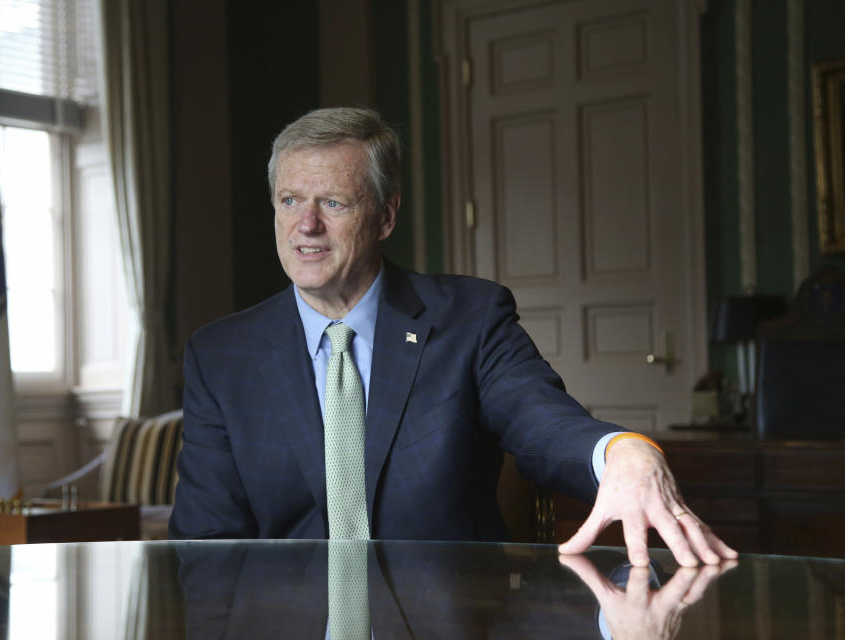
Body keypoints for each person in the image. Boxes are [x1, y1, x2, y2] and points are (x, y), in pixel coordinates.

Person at [168, 107, 737, 568]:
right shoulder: (221, 355)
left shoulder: (469, 317)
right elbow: (205, 546)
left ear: (386, 217)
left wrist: (622, 452)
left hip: (451, 620)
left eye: (333, 203)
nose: (305, 225)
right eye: (290, 200)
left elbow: (541, 419)